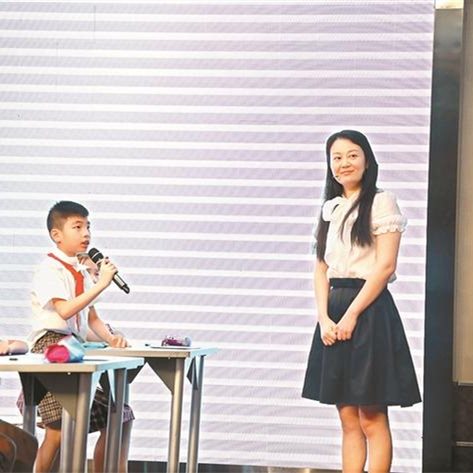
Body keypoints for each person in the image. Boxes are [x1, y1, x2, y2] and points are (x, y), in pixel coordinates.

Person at [302, 130, 421, 473]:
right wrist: (324, 318)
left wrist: (352, 314)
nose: (344, 163)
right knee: (348, 418)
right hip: (335, 309)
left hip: (369, 309)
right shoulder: (330, 208)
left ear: (367, 160)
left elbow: (385, 267)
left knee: (371, 415)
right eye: (336, 157)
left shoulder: (382, 202)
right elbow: (321, 269)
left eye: (352, 155)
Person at [23, 200, 133, 473]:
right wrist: (102, 283)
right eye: (77, 227)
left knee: (120, 416)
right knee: (58, 429)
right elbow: (65, 310)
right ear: (56, 235)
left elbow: (91, 317)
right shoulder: (50, 268)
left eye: (88, 227)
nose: (86, 234)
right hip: (51, 349)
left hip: (72, 347)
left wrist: (111, 339)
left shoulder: (82, 270)